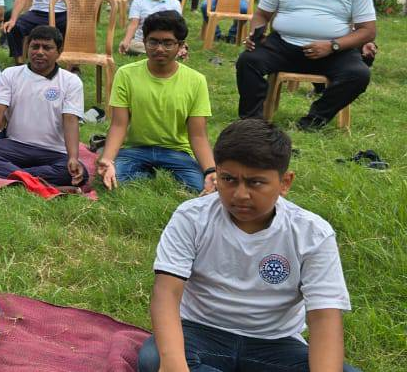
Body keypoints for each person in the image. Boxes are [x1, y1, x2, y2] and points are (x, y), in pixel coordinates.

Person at [137, 119, 359, 372]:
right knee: (154, 359)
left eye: (255, 182)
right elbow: (167, 293)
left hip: (276, 344)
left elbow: (324, 318)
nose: (240, 194)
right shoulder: (191, 217)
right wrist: (174, 365)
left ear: (285, 182)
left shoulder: (313, 234)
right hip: (200, 333)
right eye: (229, 179)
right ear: (216, 175)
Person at [235, 0, 375, 132]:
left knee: (358, 74)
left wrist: (332, 45)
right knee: (249, 61)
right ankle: (252, 121)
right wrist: (255, 34)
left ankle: (313, 121)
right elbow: (262, 15)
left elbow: (367, 31)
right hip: (284, 44)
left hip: (332, 50)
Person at [96, 11, 215, 193]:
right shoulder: (126, 74)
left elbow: (198, 135)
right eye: (153, 42)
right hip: (134, 150)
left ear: (180, 46)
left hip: (177, 152)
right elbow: (119, 125)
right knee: (111, 181)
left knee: (202, 189)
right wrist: (108, 160)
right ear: (144, 42)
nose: (159, 49)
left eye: (167, 43)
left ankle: (149, 175)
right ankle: (148, 175)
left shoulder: (196, 80)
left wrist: (211, 171)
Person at [0, 25, 85, 187]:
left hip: (53, 152)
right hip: (15, 145)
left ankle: (16, 177)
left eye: (47, 48)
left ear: (59, 51)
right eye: (35, 46)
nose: (40, 52)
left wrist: (72, 157)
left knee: (75, 172)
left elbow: (70, 120)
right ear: (27, 48)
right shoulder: (10, 74)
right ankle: (38, 181)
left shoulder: (71, 81)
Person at [120, 0, 184, 56]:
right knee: (130, 45)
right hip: (143, 41)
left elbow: (178, 27)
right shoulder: (138, 1)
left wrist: (181, 45)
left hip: (166, 41)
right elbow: (133, 24)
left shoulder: (174, 3)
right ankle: (166, 52)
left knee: (171, 45)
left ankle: (156, 51)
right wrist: (126, 41)